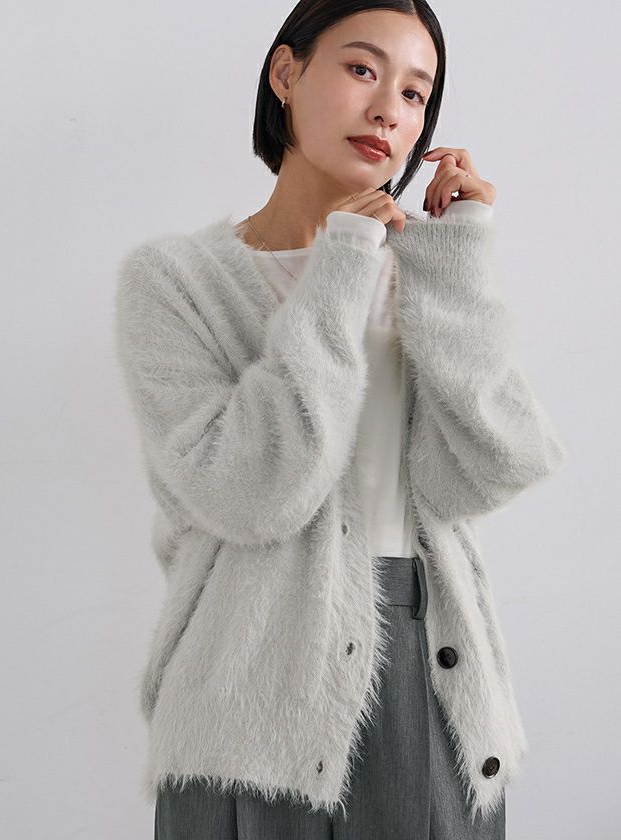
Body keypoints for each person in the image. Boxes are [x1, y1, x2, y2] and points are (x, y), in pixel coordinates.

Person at [113, 2, 569, 838]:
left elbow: (494, 463)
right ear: (286, 73)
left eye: (416, 92)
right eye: (362, 69)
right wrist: (341, 266)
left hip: (430, 670)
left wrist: (460, 257)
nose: (389, 109)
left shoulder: (426, 277)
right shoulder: (176, 281)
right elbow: (250, 491)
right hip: (245, 702)